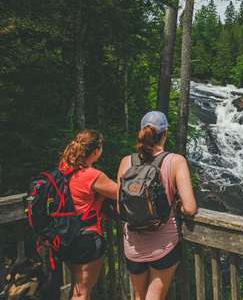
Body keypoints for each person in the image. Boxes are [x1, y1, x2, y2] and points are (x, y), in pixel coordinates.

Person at [117, 111, 197, 300]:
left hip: (133, 245)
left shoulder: (126, 162)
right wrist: (177, 206)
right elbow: (190, 208)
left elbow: (121, 208)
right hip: (163, 244)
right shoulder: (175, 161)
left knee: (139, 297)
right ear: (165, 134)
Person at [58, 130, 118, 300]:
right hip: (87, 237)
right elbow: (122, 192)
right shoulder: (92, 175)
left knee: (77, 287)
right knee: (83, 291)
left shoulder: (65, 170)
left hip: (66, 235)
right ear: (96, 151)